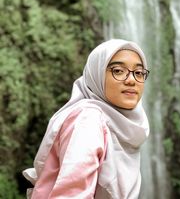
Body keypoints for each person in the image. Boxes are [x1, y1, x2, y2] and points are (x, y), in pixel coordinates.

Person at [22, 39, 150, 199]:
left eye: (138, 73)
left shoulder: (122, 126)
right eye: (118, 71)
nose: (131, 80)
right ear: (96, 74)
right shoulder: (88, 120)